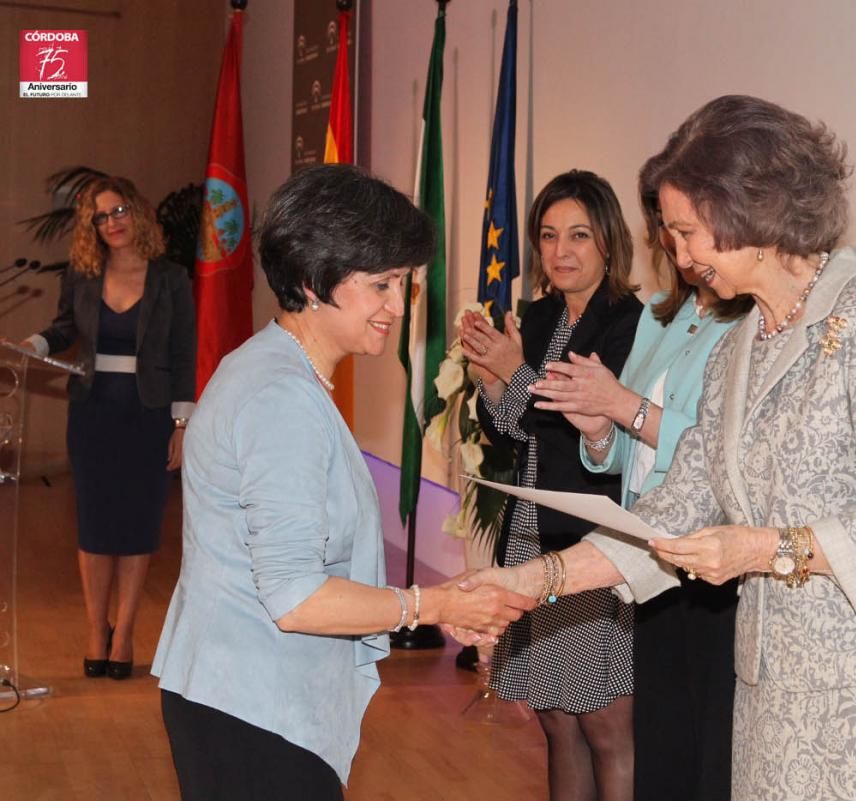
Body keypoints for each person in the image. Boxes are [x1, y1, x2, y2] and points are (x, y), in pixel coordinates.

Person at [461, 95, 856, 801]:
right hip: (773, 679)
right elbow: (674, 504)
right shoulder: (739, 347)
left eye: (686, 231)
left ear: (749, 215)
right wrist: (534, 581)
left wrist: (762, 550)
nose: (676, 254)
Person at [151, 164, 534, 800]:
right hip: (254, 710)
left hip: (239, 696)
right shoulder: (282, 396)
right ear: (313, 277)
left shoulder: (277, 369)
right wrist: (431, 605)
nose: (397, 306)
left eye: (402, 285)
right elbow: (297, 597)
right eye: (380, 284)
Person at [527, 156, 751, 801]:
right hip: (648, 553)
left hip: (715, 561)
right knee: (660, 742)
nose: (678, 249)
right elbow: (625, 456)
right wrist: (597, 425)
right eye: (670, 233)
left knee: (707, 749)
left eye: (688, 232)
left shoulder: (750, 328)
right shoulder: (662, 316)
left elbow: (727, 452)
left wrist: (622, 406)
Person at [459, 169, 643, 801]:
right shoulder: (537, 317)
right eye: (548, 235)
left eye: (579, 236)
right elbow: (517, 433)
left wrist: (516, 372)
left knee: (606, 724)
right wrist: (491, 380)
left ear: (609, 243)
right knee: (557, 720)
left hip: (592, 543)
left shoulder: (630, 324)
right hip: (531, 539)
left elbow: (586, 434)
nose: (561, 251)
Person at [20, 176, 195, 680]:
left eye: (117, 211)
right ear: (91, 227)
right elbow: (62, 329)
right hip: (93, 413)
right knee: (96, 529)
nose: (111, 223)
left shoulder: (171, 279)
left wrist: (181, 424)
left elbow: (184, 356)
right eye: (100, 217)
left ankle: (126, 633)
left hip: (149, 417)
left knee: (138, 529)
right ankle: (96, 630)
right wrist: (33, 345)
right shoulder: (82, 274)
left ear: (136, 213)